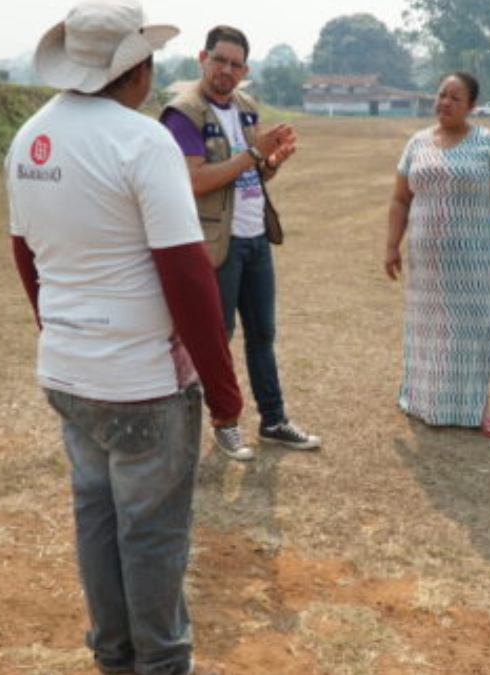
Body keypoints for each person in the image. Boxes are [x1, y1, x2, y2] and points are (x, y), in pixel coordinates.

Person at [6, 2, 236, 673]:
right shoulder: (141, 142)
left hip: (69, 373)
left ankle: (113, 656)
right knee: (153, 533)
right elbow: (188, 276)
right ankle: (162, 662)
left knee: (98, 518)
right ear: (136, 70)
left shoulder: (28, 139)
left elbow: (27, 258)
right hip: (143, 383)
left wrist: (62, 337)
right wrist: (224, 391)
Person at [161, 25, 320, 457]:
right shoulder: (184, 113)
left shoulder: (246, 108)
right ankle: (223, 422)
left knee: (262, 333)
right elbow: (193, 181)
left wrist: (271, 162)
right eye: (219, 60)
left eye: (235, 64)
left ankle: (273, 419)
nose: (226, 71)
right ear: (202, 58)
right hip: (216, 242)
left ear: (244, 70)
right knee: (217, 336)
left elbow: (249, 173)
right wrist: (252, 155)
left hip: (254, 237)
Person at [385, 71, 490, 437]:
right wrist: (390, 246)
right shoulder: (417, 144)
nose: (444, 102)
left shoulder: (489, 144)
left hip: (475, 262)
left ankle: (478, 407)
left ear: (472, 106)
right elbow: (400, 198)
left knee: (474, 333)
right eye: (441, 95)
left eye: (455, 98)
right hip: (426, 264)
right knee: (427, 332)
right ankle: (423, 400)